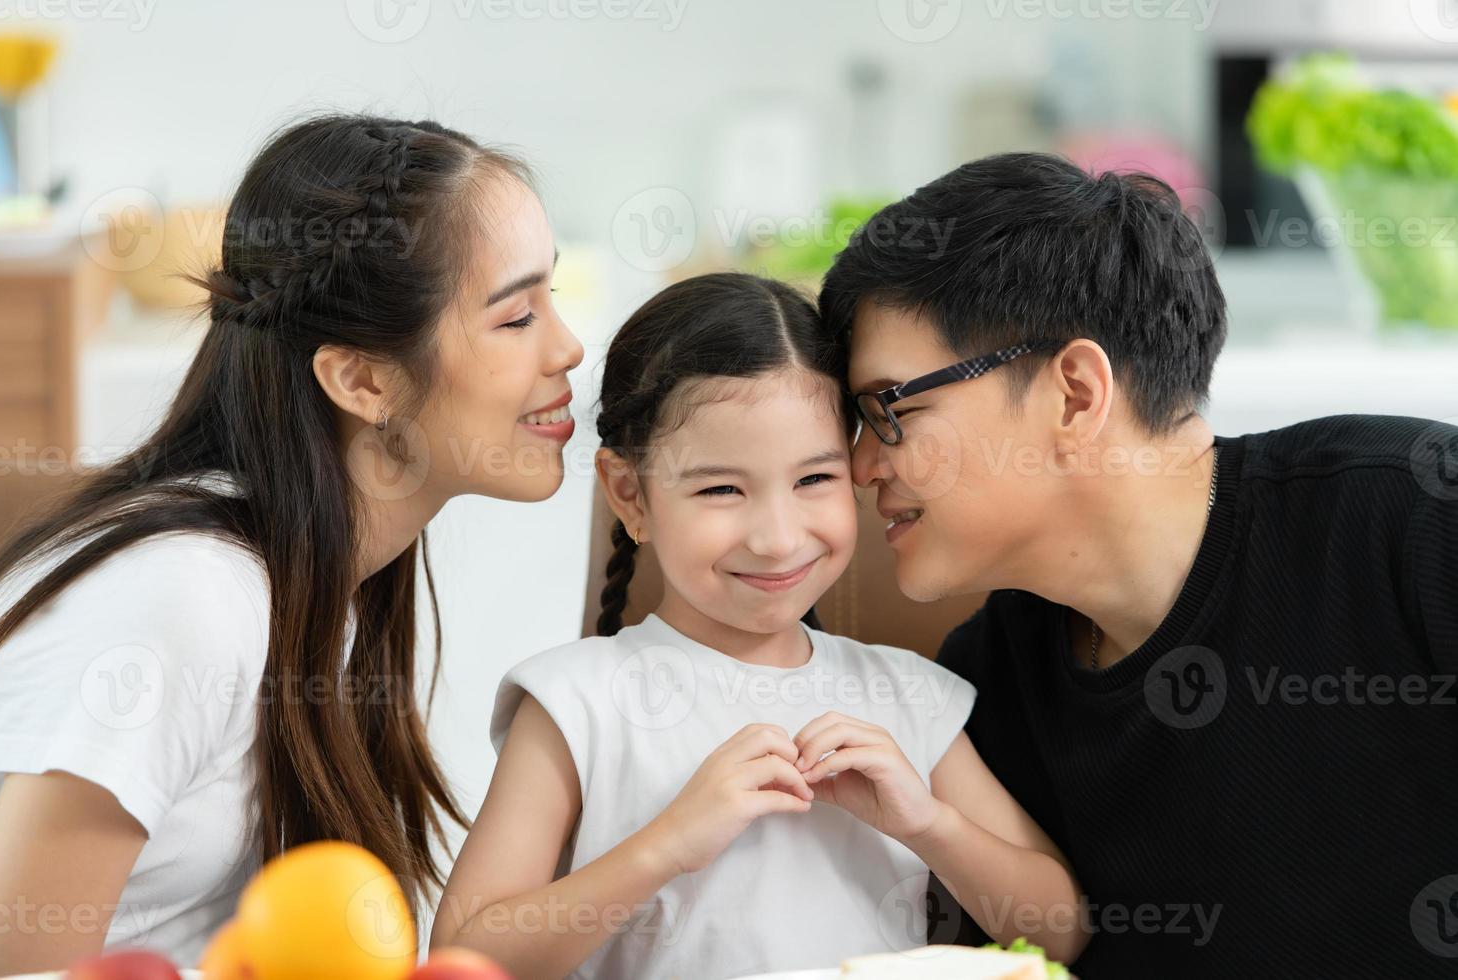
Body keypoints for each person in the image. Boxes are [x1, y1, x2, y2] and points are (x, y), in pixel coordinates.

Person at [820, 151, 1458, 978]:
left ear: (1076, 393)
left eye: (889, 411)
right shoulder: (988, 686)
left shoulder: (1414, 521)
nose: (865, 465)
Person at [0, 113, 584, 973]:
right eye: (517, 316)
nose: (566, 346)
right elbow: (19, 971)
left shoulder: (319, 573)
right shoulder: (184, 600)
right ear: (363, 380)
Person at [433, 272, 1087, 979]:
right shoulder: (575, 702)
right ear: (632, 495)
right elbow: (463, 960)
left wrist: (928, 823)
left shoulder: (909, 696)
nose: (778, 538)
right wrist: (666, 846)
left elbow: (1064, 931)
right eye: (721, 489)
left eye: (815, 480)